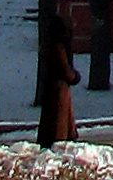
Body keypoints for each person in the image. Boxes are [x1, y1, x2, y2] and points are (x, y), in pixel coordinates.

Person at [37, 12, 80, 145]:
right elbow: (65, 70)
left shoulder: (52, 45)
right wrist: (75, 76)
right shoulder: (58, 47)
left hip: (54, 89)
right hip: (58, 90)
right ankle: (59, 141)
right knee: (58, 124)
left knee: (56, 121)